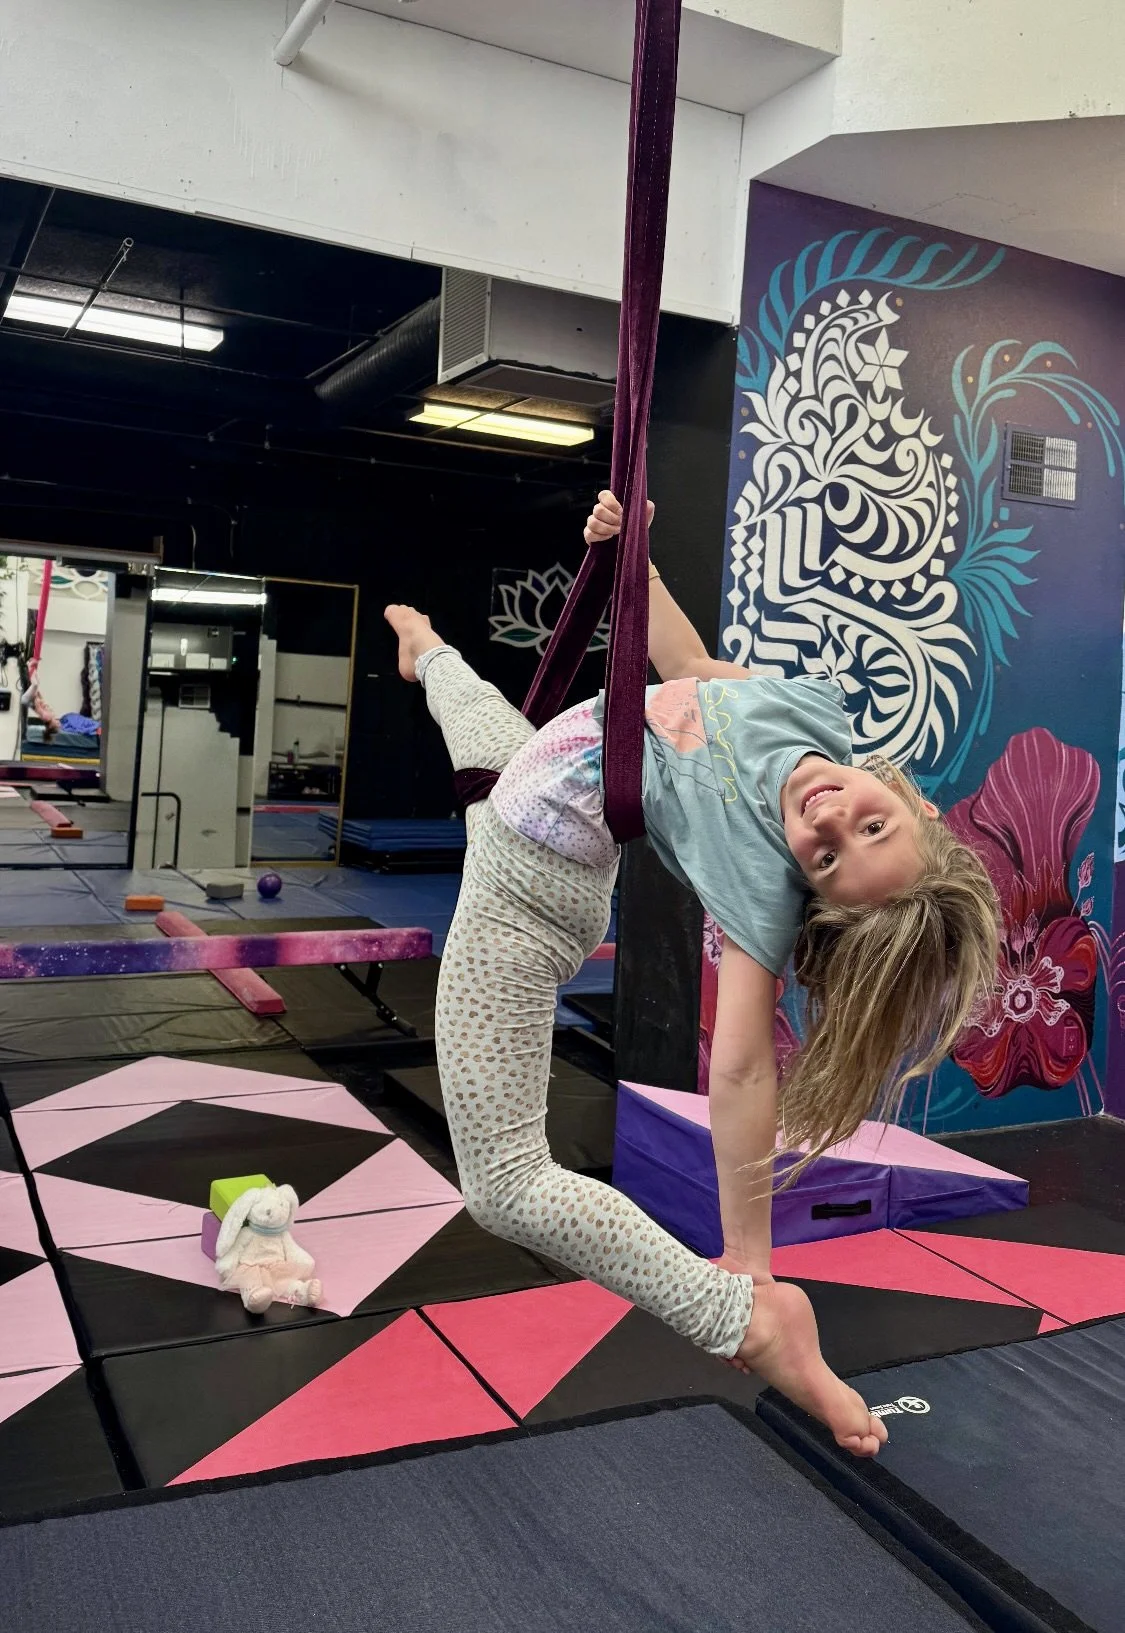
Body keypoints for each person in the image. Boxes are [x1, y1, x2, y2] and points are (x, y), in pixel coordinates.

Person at [384, 491, 998, 1459]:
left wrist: (750, 1260)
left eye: (827, 857)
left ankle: (750, 1322)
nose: (830, 817)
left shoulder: (762, 877)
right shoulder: (812, 716)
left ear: (808, 885)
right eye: (869, 822)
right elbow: (692, 671)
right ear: (912, 799)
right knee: (468, 711)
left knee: (503, 1186)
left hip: (528, 897)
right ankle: (426, 644)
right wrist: (640, 561)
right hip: (523, 790)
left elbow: (746, 1069)